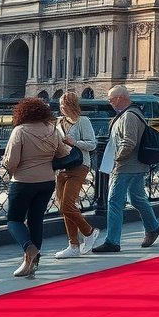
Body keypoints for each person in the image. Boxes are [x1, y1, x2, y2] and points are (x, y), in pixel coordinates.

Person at [3, 97, 70, 278]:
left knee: (14, 220)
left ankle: (29, 249)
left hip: (23, 182)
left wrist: (8, 167)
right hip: (47, 181)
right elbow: (63, 153)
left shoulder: (20, 131)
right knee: (36, 219)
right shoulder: (53, 130)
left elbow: (12, 161)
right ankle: (31, 263)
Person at [92, 86, 159, 253]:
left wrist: (117, 159)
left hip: (125, 166)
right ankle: (153, 226)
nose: (110, 103)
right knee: (137, 198)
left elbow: (129, 142)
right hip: (136, 165)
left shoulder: (129, 116)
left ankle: (112, 241)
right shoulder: (133, 113)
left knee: (114, 202)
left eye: (111, 99)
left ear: (120, 98)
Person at [53, 92, 99, 259]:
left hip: (79, 165)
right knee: (63, 208)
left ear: (71, 105)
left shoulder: (83, 121)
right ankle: (73, 245)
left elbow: (92, 144)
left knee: (67, 205)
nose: (61, 108)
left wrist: (74, 142)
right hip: (62, 167)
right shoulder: (58, 122)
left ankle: (89, 232)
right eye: (59, 105)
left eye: (63, 104)